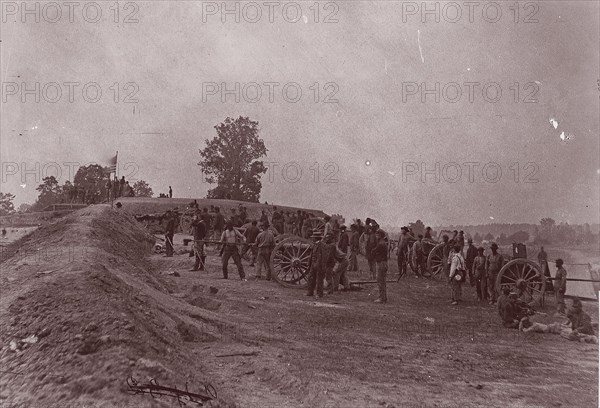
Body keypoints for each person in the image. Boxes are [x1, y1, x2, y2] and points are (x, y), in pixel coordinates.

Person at [307, 230, 325, 298]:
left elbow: (323, 256)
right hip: (313, 264)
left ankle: (319, 294)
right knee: (310, 278)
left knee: (319, 280)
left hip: (319, 265)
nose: (312, 238)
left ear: (316, 238)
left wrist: (321, 265)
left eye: (313, 237)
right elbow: (311, 255)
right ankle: (310, 292)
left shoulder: (322, 245)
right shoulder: (315, 244)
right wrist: (309, 263)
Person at [373, 229, 389, 303]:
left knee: (380, 280)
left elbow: (374, 251)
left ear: (380, 235)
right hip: (384, 263)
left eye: (377, 234)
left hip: (381, 263)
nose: (376, 236)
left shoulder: (380, 244)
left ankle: (381, 298)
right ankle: (383, 297)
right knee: (383, 281)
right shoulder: (383, 243)